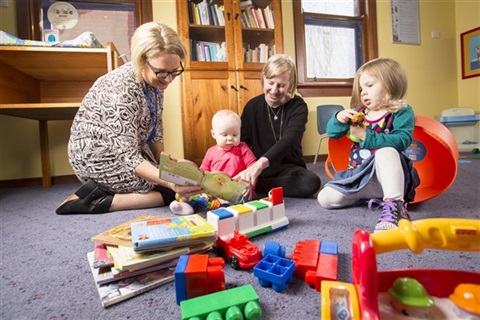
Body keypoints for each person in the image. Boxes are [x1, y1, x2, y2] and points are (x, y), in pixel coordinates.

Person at [56, 22, 202, 215]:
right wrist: (169, 181)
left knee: (181, 181)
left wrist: (167, 165)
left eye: (174, 72)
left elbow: (155, 129)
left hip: (130, 150)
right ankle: (95, 199)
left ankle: (104, 191)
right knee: (168, 192)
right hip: (99, 158)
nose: (168, 80)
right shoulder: (120, 90)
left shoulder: (155, 82)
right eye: (162, 72)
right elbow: (129, 158)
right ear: (141, 62)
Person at [317, 57, 420, 232]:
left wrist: (366, 135)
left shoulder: (401, 111)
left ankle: (395, 206)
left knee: (386, 151)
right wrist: (338, 118)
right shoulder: (359, 113)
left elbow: (402, 140)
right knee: (325, 198)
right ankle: (367, 196)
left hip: (389, 177)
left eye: (369, 86)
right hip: (359, 176)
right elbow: (333, 134)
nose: (363, 92)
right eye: (361, 88)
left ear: (390, 84)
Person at [233, 54, 321, 198]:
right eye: (270, 83)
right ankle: (259, 182)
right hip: (257, 168)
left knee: (311, 183)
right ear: (263, 79)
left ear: (289, 85)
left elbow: (289, 140)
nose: (274, 90)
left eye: (281, 85)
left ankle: (258, 185)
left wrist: (259, 165)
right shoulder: (252, 106)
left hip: (287, 169)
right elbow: (242, 142)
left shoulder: (298, 106)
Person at [170, 109, 257, 215]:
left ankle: (226, 207)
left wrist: (247, 184)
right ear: (214, 134)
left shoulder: (243, 148)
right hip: (214, 191)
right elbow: (203, 171)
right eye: (224, 135)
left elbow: (253, 167)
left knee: (243, 197)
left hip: (236, 188)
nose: (230, 138)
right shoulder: (211, 152)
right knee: (197, 195)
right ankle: (188, 205)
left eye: (235, 135)